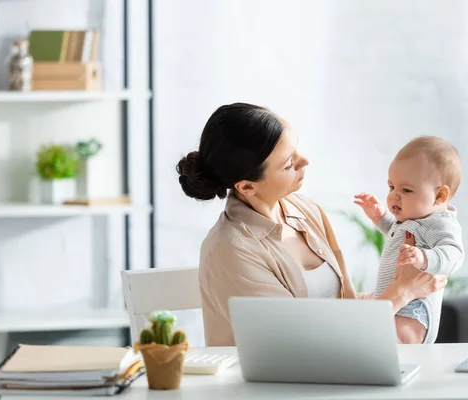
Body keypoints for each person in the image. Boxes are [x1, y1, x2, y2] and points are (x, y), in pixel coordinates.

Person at [176, 103, 447, 346]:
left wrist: (412, 293)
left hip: (331, 372)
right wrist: (401, 291)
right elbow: (298, 344)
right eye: (289, 163)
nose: (305, 161)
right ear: (247, 186)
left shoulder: (304, 210)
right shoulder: (230, 250)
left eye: (296, 149)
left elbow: (342, 307)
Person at [354, 136, 464, 344]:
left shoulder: (439, 223)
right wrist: (380, 217)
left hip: (415, 306)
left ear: (440, 196)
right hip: (396, 300)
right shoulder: (413, 219)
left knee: (399, 339)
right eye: (391, 187)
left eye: (406, 190)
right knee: (384, 343)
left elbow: (454, 254)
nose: (394, 196)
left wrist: (424, 258)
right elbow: (399, 237)